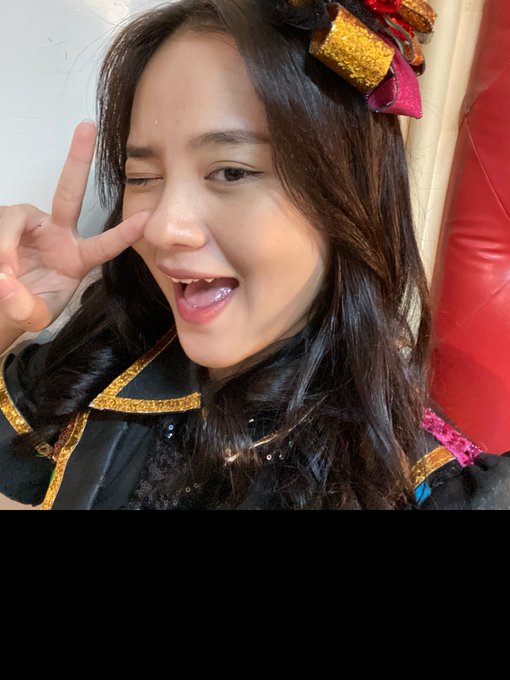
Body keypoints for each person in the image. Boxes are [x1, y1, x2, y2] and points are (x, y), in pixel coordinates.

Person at [1, 0, 509, 510]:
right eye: (142, 178)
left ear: (348, 192)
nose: (164, 228)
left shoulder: (416, 484)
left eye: (231, 171)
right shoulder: (92, 366)